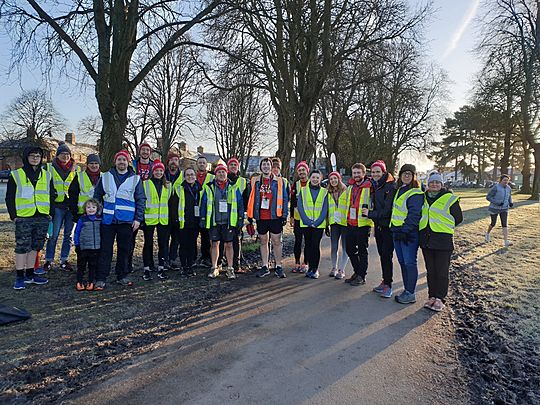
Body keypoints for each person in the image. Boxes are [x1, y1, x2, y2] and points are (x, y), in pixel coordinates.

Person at [93, 150, 146, 290]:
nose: (121, 162)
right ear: (115, 161)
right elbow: (97, 195)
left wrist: (138, 219)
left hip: (127, 221)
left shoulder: (135, 179)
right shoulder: (105, 176)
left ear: (128, 162)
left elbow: (141, 199)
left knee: (125, 250)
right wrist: (98, 213)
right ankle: (101, 278)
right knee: (105, 250)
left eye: (124, 160)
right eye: (119, 159)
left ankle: (122, 275)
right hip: (108, 220)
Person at [6, 146, 54, 290]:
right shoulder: (16, 175)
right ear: (26, 157)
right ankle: (20, 277)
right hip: (23, 217)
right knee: (22, 247)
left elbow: (51, 195)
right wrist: (13, 216)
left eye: (38, 156)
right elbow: (9, 197)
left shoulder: (46, 175)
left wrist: (49, 212)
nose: (35, 158)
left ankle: (30, 273)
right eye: (32, 156)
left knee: (36, 246)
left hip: (42, 216)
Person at [419, 172, 463, 312]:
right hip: (427, 239)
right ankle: (431, 296)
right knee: (431, 271)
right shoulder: (423, 198)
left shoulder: (449, 198)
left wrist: (445, 226)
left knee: (442, 271)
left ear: (441, 184)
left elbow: (458, 218)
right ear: (428, 184)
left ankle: (440, 298)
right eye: (432, 182)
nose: (434, 185)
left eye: (437, 182)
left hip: (443, 240)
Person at [247, 157, 289, 278]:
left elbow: (285, 199)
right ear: (261, 167)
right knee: (263, 241)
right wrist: (250, 216)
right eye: (263, 165)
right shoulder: (255, 180)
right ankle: (265, 266)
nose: (266, 167)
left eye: (268, 164)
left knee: (276, 241)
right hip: (261, 216)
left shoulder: (280, 181)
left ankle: (278, 266)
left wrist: (284, 215)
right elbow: (251, 198)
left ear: (272, 167)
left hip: (275, 216)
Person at [200, 163, 244, 279]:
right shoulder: (209, 187)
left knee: (229, 245)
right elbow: (204, 204)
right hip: (214, 221)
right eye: (219, 172)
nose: (221, 174)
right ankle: (214, 267)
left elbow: (240, 204)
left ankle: (230, 268)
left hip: (229, 221)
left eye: (223, 172)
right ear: (215, 174)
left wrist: (240, 219)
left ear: (226, 173)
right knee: (214, 244)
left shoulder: (233, 187)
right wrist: (203, 218)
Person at [390, 164, 424, 304]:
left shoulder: (415, 193)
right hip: (398, 232)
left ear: (414, 176)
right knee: (403, 262)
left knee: (410, 263)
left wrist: (404, 231)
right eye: (404, 173)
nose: (406, 176)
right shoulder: (400, 190)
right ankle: (407, 290)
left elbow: (414, 215)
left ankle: (410, 293)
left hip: (408, 234)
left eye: (410, 174)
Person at [44, 142, 78, 272]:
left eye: (67, 154)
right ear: (57, 155)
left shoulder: (76, 169)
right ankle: (49, 260)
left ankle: (64, 260)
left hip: (71, 207)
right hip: (57, 206)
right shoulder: (49, 168)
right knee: (53, 235)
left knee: (68, 236)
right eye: (62, 154)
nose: (65, 156)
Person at [366, 160, 397, 298]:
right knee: (382, 255)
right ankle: (385, 281)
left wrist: (370, 214)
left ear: (383, 172)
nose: (375, 174)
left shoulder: (391, 186)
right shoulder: (376, 185)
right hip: (378, 226)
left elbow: (387, 211)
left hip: (387, 227)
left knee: (386, 255)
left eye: (378, 172)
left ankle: (389, 285)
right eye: (373, 172)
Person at [217, 157, 249, 272]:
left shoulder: (243, 181)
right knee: (221, 240)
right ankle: (219, 262)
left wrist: (244, 216)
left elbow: (246, 200)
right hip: (223, 215)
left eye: (235, 165)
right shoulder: (223, 180)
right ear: (227, 167)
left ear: (238, 167)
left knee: (236, 240)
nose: (233, 167)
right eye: (231, 165)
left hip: (236, 215)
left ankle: (236, 264)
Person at [141, 160, 172, 281]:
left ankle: (161, 267)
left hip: (163, 219)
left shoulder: (168, 185)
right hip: (149, 218)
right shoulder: (145, 184)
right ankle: (147, 268)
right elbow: (142, 201)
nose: (159, 172)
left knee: (163, 244)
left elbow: (169, 201)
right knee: (148, 244)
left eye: (161, 170)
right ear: (152, 172)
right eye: (156, 170)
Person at [344, 163, 373, 286]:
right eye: (354, 173)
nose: (356, 175)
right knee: (350, 249)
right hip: (350, 223)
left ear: (363, 173)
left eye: (358, 173)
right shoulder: (350, 186)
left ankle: (362, 276)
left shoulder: (370, 187)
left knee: (362, 251)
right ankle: (357, 272)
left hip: (363, 224)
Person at [127, 142, 154, 273]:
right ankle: (128, 262)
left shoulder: (154, 165)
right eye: (143, 150)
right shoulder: (132, 164)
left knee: (149, 239)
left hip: (149, 206)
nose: (145, 152)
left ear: (150, 152)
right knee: (131, 237)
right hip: (134, 203)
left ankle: (149, 264)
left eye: (147, 150)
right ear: (139, 151)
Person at [297, 170, 328, 279]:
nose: (315, 179)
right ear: (310, 178)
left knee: (315, 246)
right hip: (306, 224)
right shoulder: (303, 190)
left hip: (319, 225)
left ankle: (315, 269)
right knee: (308, 246)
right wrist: (307, 221)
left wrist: (317, 222)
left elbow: (325, 209)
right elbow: (300, 207)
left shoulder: (324, 192)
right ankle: (309, 268)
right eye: (313, 177)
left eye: (317, 177)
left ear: (320, 179)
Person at [176, 167, 201, 275]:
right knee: (183, 245)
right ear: (184, 177)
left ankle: (190, 265)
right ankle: (183, 265)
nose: (190, 177)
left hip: (195, 222)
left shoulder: (199, 189)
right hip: (183, 221)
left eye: (192, 175)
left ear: (195, 177)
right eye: (188, 175)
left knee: (192, 244)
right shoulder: (180, 189)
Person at [73, 198, 102, 291]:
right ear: (85, 208)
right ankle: (79, 281)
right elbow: (77, 232)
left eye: (93, 207)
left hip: (95, 247)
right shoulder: (82, 219)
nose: (91, 209)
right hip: (83, 247)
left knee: (93, 265)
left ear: (97, 209)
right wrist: (77, 244)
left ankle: (90, 282)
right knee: (81, 265)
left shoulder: (99, 219)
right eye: (88, 207)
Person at [327, 171, 349, 280]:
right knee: (334, 246)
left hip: (344, 223)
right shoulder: (328, 192)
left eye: (335, 178)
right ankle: (333, 268)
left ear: (339, 179)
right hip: (334, 223)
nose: (333, 181)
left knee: (345, 247)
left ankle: (342, 269)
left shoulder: (346, 191)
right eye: (331, 179)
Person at [289, 161, 309, 273]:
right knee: (297, 241)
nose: (301, 172)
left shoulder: (312, 183)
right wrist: (291, 217)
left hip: (309, 217)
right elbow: (292, 202)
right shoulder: (295, 184)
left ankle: (305, 263)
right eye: (299, 170)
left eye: (303, 170)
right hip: (297, 218)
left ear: (307, 171)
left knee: (307, 241)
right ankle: (297, 262)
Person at [195, 155, 215, 267]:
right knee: (193, 236)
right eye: (200, 162)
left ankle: (206, 257)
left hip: (207, 210)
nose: (202, 164)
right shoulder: (192, 176)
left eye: (203, 163)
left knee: (206, 236)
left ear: (207, 165)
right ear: (197, 164)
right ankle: (193, 258)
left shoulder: (212, 177)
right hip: (193, 210)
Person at [69, 153, 102, 221]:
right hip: (83, 213)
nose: (94, 165)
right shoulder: (79, 176)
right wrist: (74, 212)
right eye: (91, 163)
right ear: (87, 164)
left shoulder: (104, 177)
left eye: (96, 163)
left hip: (100, 213)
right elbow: (73, 195)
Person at [485, 174, 514, 247]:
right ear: (501, 180)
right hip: (494, 208)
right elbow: (488, 197)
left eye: (507, 180)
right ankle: (487, 234)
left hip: (504, 209)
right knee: (493, 223)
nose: (506, 182)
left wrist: (510, 202)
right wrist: (497, 203)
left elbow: (509, 196)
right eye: (504, 180)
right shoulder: (496, 187)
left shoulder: (508, 188)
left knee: (504, 224)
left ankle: (506, 241)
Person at [165, 152, 182, 269]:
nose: (174, 162)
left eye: (176, 160)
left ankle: (172, 259)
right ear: (168, 162)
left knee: (176, 239)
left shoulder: (182, 176)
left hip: (178, 213)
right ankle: (164, 260)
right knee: (164, 239)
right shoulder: (162, 175)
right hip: (164, 213)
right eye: (171, 160)